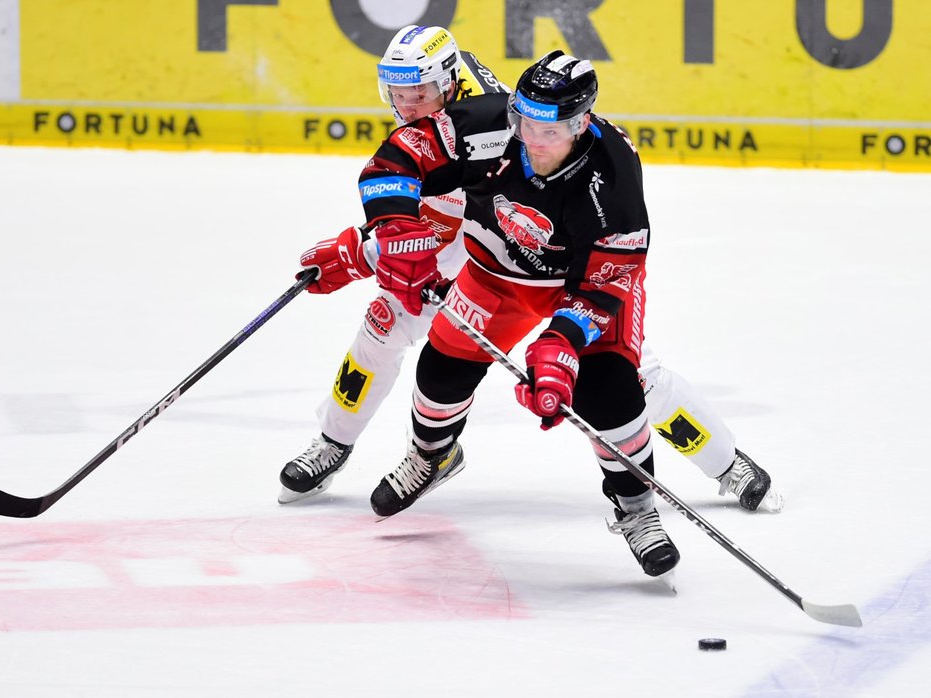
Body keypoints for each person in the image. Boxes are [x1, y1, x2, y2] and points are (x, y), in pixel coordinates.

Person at [282, 25, 782, 520]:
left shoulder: (495, 124)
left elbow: (452, 226)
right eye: (400, 93)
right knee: (385, 325)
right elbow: (414, 202)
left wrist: (366, 255)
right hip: (494, 264)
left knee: (626, 375)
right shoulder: (452, 111)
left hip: (554, 263)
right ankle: (337, 443)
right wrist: (372, 244)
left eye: (421, 92)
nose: (409, 105)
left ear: (450, 82)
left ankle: (725, 463)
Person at [359, 50, 687, 576]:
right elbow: (396, 159)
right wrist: (394, 226)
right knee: (442, 367)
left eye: (548, 128)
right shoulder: (490, 125)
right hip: (498, 273)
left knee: (609, 393)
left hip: (581, 286)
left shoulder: (614, 171)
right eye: (523, 120)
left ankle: (637, 507)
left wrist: (561, 343)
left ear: (581, 123)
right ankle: (432, 455)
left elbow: (611, 277)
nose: (531, 138)